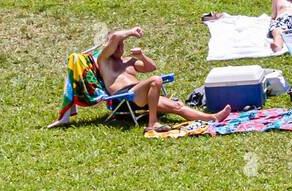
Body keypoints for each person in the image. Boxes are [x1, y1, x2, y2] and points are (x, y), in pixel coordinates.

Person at [93, 26, 229, 133]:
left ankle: (212, 118)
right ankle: (152, 123)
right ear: (108, 46)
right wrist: (131, 32)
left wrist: (141, 57)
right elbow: (116, 37)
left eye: (122, 45)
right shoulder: (104, 60)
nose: (120, 47)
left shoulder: (129, 61)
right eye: (117, 45)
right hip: (122, 98)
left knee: (177, 106)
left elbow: (151, 67)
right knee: (155, 80)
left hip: (141, 96)